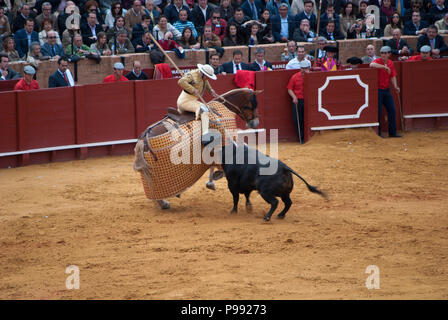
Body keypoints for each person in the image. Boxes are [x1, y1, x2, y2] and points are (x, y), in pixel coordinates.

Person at [177, 63, 219, 145]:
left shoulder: (203, 77)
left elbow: (205, 82)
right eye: (207, 76)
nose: (208, 78)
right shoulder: (192, 75)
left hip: (193, 100)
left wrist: (210, 90)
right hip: (185, 101)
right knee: (204, 110)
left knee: (209, 108)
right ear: (202, 73)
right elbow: (181, 81)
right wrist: (192, 89)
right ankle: (205, 137)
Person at [369, 46, 401, 138]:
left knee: (392, 110)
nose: (383, 54)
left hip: (386, 90)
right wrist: (384, 67)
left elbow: (393, 76)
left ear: (389, 54)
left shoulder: (391, 63)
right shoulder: (378, 61)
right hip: (377, 90)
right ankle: (378, 133)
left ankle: (392, 132)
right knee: (378, 112)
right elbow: (371, 65)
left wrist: (395, 86)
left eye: (385, 53)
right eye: (382, 53)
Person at [287, 59, 311, 144]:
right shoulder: (295, 77)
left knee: (308, 119)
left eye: (306, 68)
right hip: (298, 100)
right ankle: (301, 138)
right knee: (298, 120)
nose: (304, 70)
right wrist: (294, 97)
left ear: (309, 68)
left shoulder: (312, 76)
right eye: (302, 68)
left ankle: (308, 137)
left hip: (309, 101)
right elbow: (289, 89)